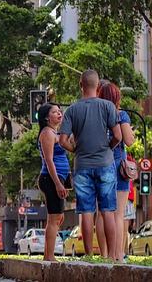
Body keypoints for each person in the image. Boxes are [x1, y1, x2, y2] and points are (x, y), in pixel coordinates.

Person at [59, 69, 122, 260]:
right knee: (108, 211)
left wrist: (75, 149)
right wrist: (108, 148)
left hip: (82, 166)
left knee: (86, 211)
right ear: (97, 86)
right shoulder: (108, 106)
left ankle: (88, 255)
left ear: (81, 85)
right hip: (105, 163)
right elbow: (118, 136)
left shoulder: (72, 109)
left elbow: (62, 140)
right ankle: (111, 257)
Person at [95, 82, 135, 262]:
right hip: (118, 167)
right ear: (117, 97)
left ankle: (103, 255)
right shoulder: (121, 115)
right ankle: (117, 254)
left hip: (98, 165)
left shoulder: (95, 116)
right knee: (118, 214)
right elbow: (128, 140)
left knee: (102, 213)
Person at [36, 103, 70, 261]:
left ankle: (48, 255)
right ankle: (49, 257)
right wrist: (57, 183)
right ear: (46, 117)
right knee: (54, 218)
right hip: (50, 179)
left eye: (59, 111)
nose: (59, 113)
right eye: (55, 112)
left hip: (58, 178)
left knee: (58, 218)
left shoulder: (55, 132)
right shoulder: (47, 133)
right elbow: (49, 161)